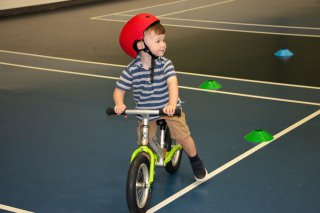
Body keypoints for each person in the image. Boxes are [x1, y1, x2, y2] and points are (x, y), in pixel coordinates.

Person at [113, 13, 207, 181]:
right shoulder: (131, 69)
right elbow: (119, 90)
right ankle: (146, 165)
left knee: (183, 137)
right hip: (146, 114)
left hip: (167, 109)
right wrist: (119, 104)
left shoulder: (166, 64)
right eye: (157, 41)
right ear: (141, 45)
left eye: (163, 40)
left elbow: (172, 84)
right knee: (145, 142)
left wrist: (172, 104)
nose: (163, 45)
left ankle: (195, 160)